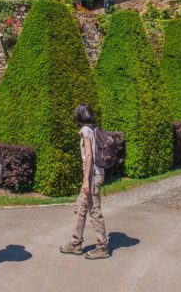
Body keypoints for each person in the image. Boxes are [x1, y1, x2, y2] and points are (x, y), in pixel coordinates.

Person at [59, 103, 110, 259]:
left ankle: (102, 247)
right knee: (80, 208)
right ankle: (76, 244)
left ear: (79, 116)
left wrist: (86, 181)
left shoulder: (86, 131)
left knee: (94, 211)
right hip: (96, 174)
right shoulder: (94, 129)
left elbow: (88, 156)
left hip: (92, 176)